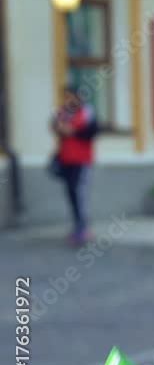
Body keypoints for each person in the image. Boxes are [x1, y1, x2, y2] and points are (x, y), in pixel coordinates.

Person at [50, 84, 99, 245]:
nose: (68, 100)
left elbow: (92, 132)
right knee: (71, 192)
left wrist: (73, 132)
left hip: (81, 160)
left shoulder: (87, 111)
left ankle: (84, 227)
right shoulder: (62, 112)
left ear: (78, 97)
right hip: (66, 159)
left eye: (71, 96)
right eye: (66, 96)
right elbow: (53, 125)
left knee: (80, 193)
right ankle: (77, 224)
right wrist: (60, 128)